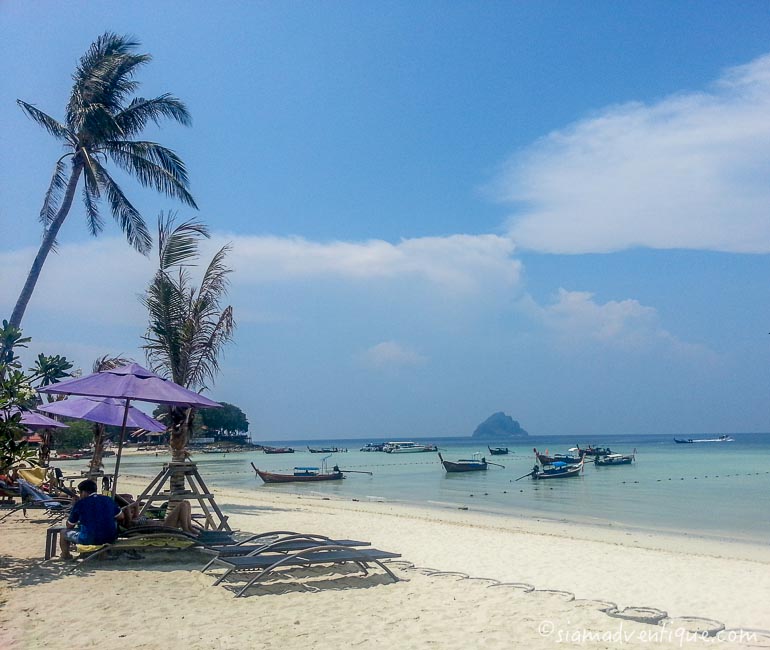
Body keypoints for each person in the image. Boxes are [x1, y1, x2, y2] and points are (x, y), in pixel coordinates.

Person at [59, 479, 120, 559]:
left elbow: (69, 525)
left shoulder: (80, 504)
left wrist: (74, 506)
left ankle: (65, 555)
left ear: (84, 492)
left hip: (89, 538)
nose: (80, 495)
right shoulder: (107, 499)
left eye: (80, 492)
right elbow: (121, 516)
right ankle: (102, 553)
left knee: (63, 532)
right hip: (111, 537)